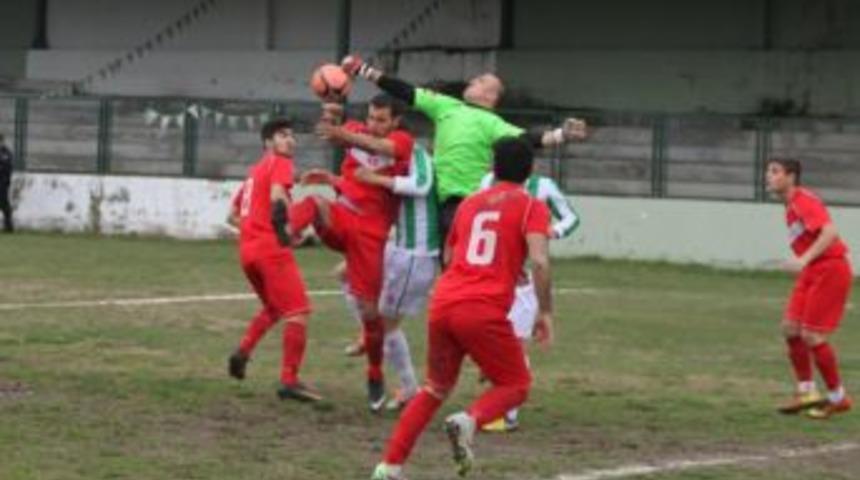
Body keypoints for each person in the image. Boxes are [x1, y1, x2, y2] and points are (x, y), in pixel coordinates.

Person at [371, 137, 554, 480]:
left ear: (492, 167)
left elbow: (452, 256)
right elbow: (540, 262)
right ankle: (468, 421)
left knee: (434, 388)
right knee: (516, 385)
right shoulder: (532, 206)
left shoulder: (469, 204)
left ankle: (389, 467)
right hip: (481, 308)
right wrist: (545, 312)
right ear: (531, 170)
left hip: (445, 301)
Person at [341, 55, 587, 255]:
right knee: (417, 257)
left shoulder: (492, 122)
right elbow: (405, 91)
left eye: (480, 80)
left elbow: (527, 140)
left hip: (463, 201)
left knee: (453, 263)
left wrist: (561, 134)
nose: (473, 80)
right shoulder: (446, 105)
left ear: (491, 96)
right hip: (431, 199)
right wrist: (363, 69)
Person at [288, 94, 413, 412]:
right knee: (314, 195)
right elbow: (327, 132)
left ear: (396, 121)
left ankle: (374, 373)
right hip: (343, 215)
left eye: (381, 119)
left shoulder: (402, 141)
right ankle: (286, 234)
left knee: (371, 316)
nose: (374, 124)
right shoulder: (356, 129)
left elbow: (379, 149)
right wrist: (330, 112)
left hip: (371, 236)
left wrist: (342, 131)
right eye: (371, 117)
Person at [226, 118, 320, 403]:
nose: (290, 140)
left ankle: (243, 351)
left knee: (275, 308)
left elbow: (231, 215)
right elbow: (279, 196)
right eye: (282, 135)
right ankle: (289, 380)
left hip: (247, 252)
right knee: (299, 311)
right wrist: (286, 231)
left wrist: (254, 232)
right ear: (268, 143)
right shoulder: (279, 162)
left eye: (292, 135)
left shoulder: (254, 173)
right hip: (270, 249)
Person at [340, 143, 439, 411]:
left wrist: (375, 178)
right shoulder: (386, 157)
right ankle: (369, 336)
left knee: (386, 324)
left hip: (415, 255)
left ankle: (409, 388)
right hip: (397, 247)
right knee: (345, 275)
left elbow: (421, 184)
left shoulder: (417, 154)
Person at [478, 170, 580, 432]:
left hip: (526, 281)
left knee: (513, 343)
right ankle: (499, 394)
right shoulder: (488, 182)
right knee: (492, 338)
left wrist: (551, 231)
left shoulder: (543, 186)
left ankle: (508, 414)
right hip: (496, 275)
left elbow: (571, 218)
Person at [766, 158, 852, 419]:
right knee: (790, 329)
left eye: (774, 171)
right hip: (813, 270)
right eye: (768, 171)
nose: (768, 176)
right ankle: (807, 392)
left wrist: (802, 259)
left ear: (791, 176)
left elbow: (830, 232)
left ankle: (838, 398)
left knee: (812, 336)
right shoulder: (791, 204)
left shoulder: (803, 199)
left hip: (830, 269)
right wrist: (804, 263)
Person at [0, 134, 13, 233]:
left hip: (2, 182)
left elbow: (7, 167)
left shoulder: (6, 152)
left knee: (4, 205)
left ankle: (8, 226)